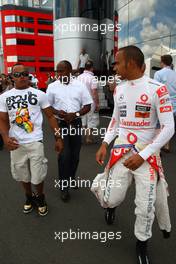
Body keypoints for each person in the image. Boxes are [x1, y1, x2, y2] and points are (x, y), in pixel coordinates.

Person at [96, 46, 175, 264]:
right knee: (111, 197)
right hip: (120, 151)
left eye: (117, 62)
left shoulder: (157, 89)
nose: (115, 66)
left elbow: (169, 127)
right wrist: (104, 142)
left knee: (145, 206)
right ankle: (110, 205)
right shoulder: (118, 89)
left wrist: (144, 154)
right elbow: (115, 120)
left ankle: (142, 245)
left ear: (130, 63)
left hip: (146, 157)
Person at [0, 63, 63, 216]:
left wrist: (58, 138)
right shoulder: (4, 97)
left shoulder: (40, 94)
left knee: (38, 175)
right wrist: (5, 138)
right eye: (18, 74)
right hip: (16, 143)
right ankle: (29, 197)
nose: (22, 77)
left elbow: (50, 116)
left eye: (25, 73)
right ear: (11, 78)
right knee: (22, 174)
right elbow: (2, 119)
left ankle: (40, 197)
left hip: (36, 141)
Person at [47, 60, 92, 202]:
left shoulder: (80, 85)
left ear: (70, 71)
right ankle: (64, 187)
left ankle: (72, 177)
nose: (59, 74)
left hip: (76, 123)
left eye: (62, 71)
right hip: (60, 124)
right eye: (57, 71)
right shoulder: (52, 87)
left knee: (75, 155)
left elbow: (87, 105)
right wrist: (57, 112)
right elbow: (47, 107)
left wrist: (76, 114)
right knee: (64, 155)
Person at [154, 54, 176, 152]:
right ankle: (167, 145)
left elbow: (155, 89)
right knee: (169, 124)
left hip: (163, 102)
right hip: (174, 103)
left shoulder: (158, 73)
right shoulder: (175, 74)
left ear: (162, 62)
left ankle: (158, 147)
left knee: (159, 125)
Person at [78, 60, 99, 144]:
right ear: (92, 68)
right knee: (90, 119)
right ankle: (88, 138)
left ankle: (80, 137)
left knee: (82, 119)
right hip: (90, 102)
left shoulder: (79, 77)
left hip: (80, 101)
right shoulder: (93, 78)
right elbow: (94, 92)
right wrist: (97, 103)